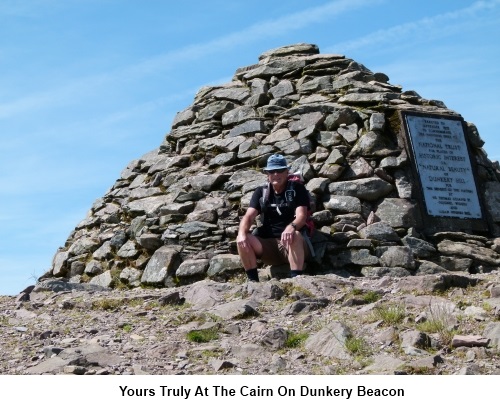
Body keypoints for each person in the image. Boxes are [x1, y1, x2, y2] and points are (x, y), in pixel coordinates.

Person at [236, 154, 310, 281]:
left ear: (287, 172)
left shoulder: (298, 189)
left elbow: (301, 216)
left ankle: (297, 280)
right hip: (269, 245)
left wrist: (291, 227)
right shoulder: (261, 192)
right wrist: (242, 233)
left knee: (295, 235)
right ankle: (253, 282)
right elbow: (249, 216)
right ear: (267, 174)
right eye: (272, 171)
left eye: (280, 170)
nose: (276, 174)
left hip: (292, 244)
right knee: (242, 239)